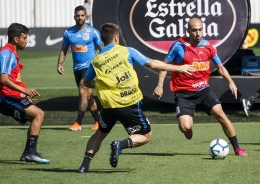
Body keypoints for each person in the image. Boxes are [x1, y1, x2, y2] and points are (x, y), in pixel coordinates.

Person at [77, 23, 195, 173]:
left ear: (102, 39)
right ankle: (120, 145)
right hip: (129, 105)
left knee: (99, 134)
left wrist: (101, 84)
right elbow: (152, 64)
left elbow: (86, 82)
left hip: (109, 107)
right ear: (117, 37)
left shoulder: (96, 61)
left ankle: (84, 166)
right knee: (145, 136)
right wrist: (179, 68)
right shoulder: (126, 51)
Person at [153, 17, 247, 156]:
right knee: (185, 126)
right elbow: (163, 66)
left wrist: (230, 81)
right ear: (188, 31)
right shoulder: (179, 46)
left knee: (221, 114)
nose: (198, 33)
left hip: (203, 90)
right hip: (183, 93)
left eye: (200, 30)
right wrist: (160, 85)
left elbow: (220, 67)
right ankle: (187, 128)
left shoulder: (208, 46)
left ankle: (237, 148)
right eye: (194, 30)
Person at [0, 23, 50, 164]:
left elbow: (12, 80)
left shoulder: (11, 53)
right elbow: (3, 79)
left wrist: (23, 94)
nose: (26, 40)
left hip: (10, 96)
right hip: (4, 99)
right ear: (16, 39)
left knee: (37, 118)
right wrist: (24, 90)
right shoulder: (6, 53)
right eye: (25, 37)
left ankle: (28, 153)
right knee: (38, 114)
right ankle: (30, 153)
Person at [57, 5, 104, 131]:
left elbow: (103, 50)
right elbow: (63, 51)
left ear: (86, 17)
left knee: (82, 91)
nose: (80, 17)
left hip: (90, 67)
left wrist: (104, 64)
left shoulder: (93, 32)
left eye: (82, 15)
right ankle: (99, 122)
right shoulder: (68, 33)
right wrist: (60, 64)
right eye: (77, 15)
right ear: (74, 17)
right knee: (88, 96)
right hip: (77, 68)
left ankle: (78, 123)